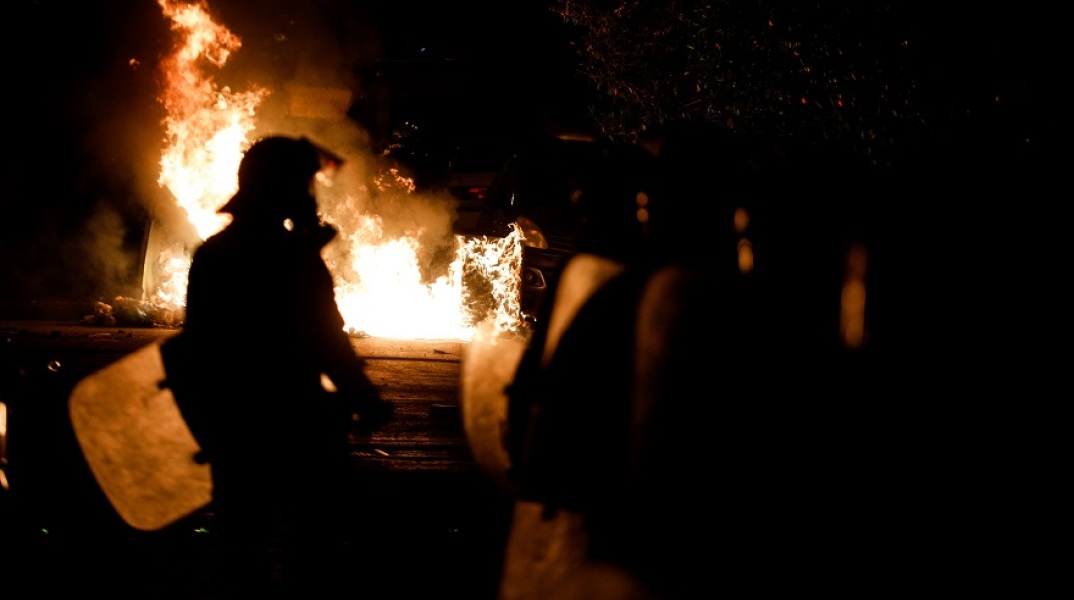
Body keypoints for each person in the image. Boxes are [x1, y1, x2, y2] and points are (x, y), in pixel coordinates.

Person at [161, 135, 393, 598]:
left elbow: (199, 343)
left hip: (231, 425)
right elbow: (324, 339)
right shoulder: (292, 258)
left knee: (239, 548)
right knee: (316, 552)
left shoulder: (213, 254)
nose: (309, 193)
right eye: (303, 184)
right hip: (294, 423)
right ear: (287, 189)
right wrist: (363, 398)